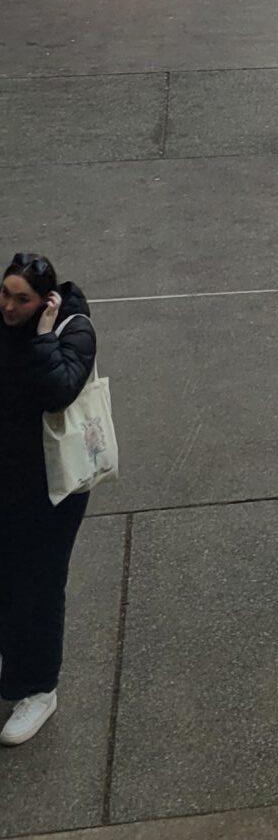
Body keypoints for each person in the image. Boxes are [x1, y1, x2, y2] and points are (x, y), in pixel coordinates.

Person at [0, 251, 97, 746]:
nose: (10, 307)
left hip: (53, 488)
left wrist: (43, 336)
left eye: (23, 300)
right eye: (5, 294)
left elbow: (59, 389)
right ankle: (12, 664)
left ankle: (39, 689)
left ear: (45, 302)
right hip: (9, 479)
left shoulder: (73, 330)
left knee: (38, 585)